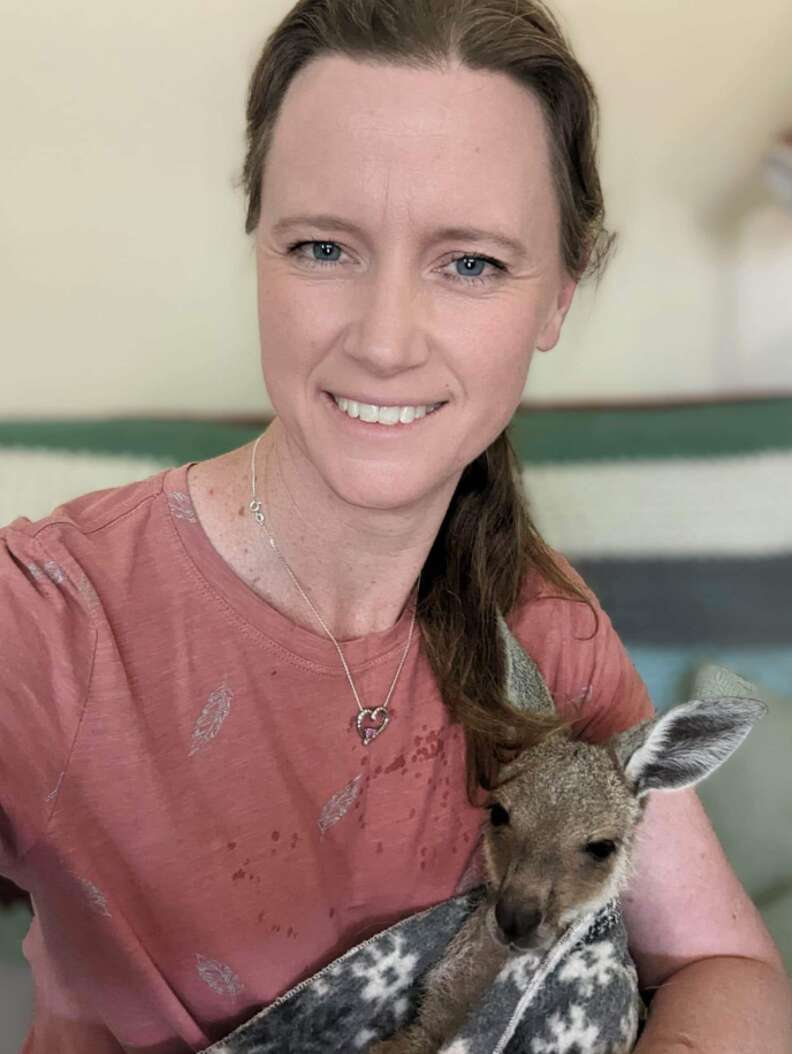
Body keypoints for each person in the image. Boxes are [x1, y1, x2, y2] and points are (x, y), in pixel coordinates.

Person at [1, 0, 790, 1051]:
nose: (383, 341)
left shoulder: (543, 628)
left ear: (560, 295)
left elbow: (725, 965)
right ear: (258, 247)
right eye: (324, 246)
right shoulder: (51, 623)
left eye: (471, 263)